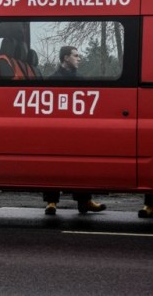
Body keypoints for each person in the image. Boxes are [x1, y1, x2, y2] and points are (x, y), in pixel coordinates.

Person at [43, 45, 106, 215]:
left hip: (77, 130)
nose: (79, 59)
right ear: (65, 57)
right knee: (53, 164)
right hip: (57, 130)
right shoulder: (52, 80)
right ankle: (51, 202)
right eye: (76, 55)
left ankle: (85, 201)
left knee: (81, 165)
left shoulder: (81, 79)